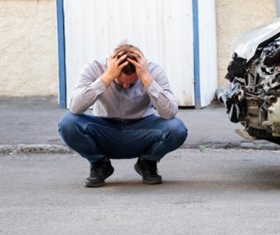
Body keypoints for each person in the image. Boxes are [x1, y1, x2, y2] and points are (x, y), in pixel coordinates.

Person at [58, 43, 188, 187]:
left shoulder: (153, 71)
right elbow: (75, 107)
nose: (126, 87)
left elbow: (169, 112)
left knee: (177, 128)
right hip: (105, 129)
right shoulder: (94, 68)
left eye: (132, 83)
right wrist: (107, 77)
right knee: (68, 124)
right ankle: (100, 164)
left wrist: (145, 77)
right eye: (120, 81)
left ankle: (147, 162)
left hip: (142, 130)